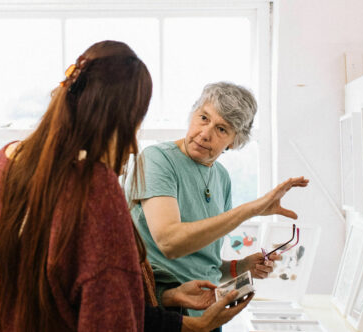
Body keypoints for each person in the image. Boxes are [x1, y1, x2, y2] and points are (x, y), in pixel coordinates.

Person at [0, 41, 251, 332]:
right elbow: (111, 316)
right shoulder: (96, 190)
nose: (134, 146)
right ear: (116, 121)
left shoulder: (10, 160)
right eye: (134, 124)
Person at [128, 82, 309, 319]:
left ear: (234, 142)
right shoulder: (157, 160)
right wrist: (250, 210)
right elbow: (170, 243)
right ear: (193, 114)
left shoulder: (221, 178)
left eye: (222, 129)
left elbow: (204, 264)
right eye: (204, 118)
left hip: (209, 313)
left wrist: (241, 266)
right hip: (165, 315)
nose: (205, 133)